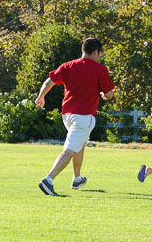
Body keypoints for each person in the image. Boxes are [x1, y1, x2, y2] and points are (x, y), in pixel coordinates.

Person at [36, 38, 114, 196]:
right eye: (100, 53)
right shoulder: (100, 69)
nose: (100, 56)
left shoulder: (68, 65)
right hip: (84, 116)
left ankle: (77, 178)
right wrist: (105, 96)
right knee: (70, 149)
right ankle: (48, 180)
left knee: (80, 144)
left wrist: (41, 97)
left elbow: (49, 82)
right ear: (95, 52)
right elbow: (109, 94)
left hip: (67, 116)